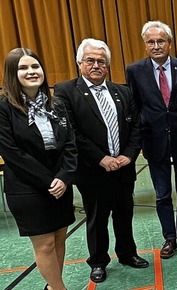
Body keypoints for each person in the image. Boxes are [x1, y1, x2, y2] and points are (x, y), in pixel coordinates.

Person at [54, 38, 148, 283]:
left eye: (101, 62)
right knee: (97, 218)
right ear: (80, 63)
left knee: (124, 213)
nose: (96, 65)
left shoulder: (122, 91)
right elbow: (72, 133)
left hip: (123, 168)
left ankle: (128, 253)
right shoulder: (66, 91)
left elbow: (136, 126)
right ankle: (98, 261)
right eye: (91, 60)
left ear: (108, 66)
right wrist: (101, 158)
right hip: (92, 170)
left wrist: (128, 155)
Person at [0, 48, 76, 290]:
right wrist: (49, 181)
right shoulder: (4, 108)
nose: (31, 72)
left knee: (59, 239)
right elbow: (12, 152)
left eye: (35, 66)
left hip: (60, 184)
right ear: (13, 74)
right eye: (23, 68)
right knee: (44, 244)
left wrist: (64, 177)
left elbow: (70, 145)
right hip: (28, 188)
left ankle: (53, 287)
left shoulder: (57, 104)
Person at [126, 20, 177, 259]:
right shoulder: (134, 71)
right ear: (145, 45)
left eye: (160, 41)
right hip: (154, 140)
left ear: (169, 42)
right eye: (151, 42)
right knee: (162, 194)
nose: (156, 45)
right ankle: (169, 237)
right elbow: (134, 107)